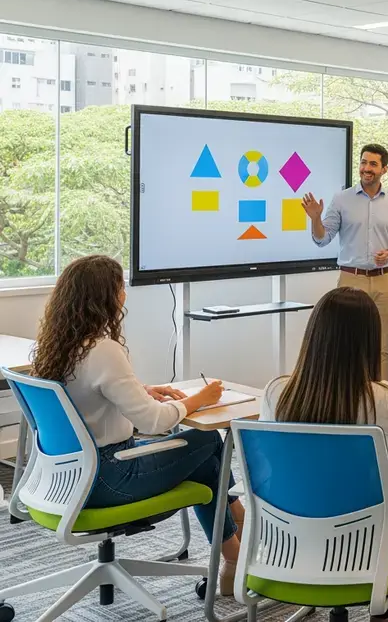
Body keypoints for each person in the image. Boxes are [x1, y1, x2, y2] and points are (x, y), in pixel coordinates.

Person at [30, 255, 243, 594]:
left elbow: (85, 394)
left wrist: (141, 390)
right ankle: (237, 547)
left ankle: (234, 554)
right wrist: (197, 400)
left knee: (207, 463)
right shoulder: (103, 350)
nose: (124, 296)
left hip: (66, 477)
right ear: (104, 298)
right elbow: (152, 421)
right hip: (108, 478)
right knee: (207, 442)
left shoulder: (56, 347)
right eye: (120, 289)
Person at [261, 287, 388, 613]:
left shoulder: (276, 392)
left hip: (292, 537)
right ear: (368, 341)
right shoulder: (383, 398)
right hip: (363, 540)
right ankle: (379, 608)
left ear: (314, 334)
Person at [303, 143, 388, 380]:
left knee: (381, 345)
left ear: (384, 169)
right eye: (363, 162)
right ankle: (349, 397)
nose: (366, 168)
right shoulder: (341, 199)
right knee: (348, 343)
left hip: (383, 279)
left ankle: (380, 398)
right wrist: (316, 219)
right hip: (351, 278)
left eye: (373, 164)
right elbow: (322, 238)